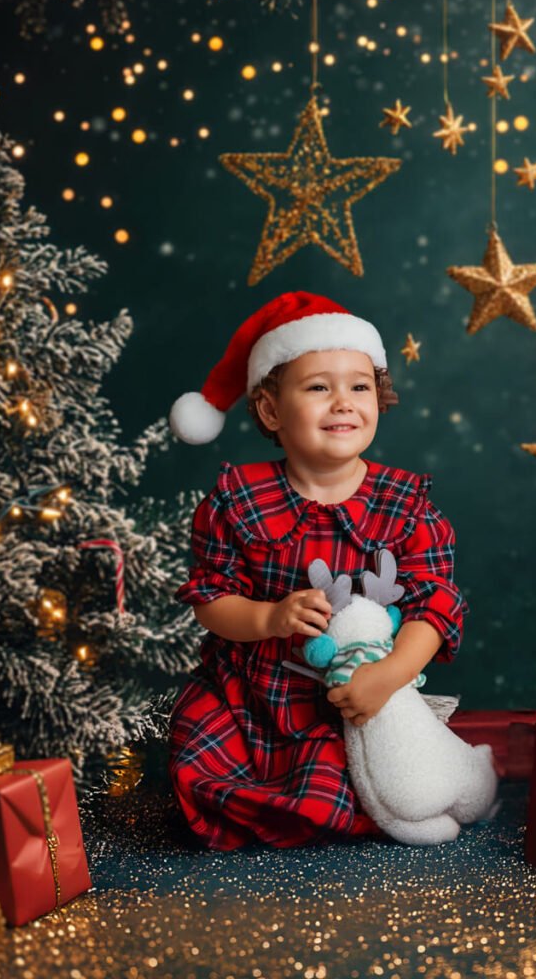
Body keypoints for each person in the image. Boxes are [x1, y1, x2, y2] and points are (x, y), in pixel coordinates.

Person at [167, 291, 468, 850]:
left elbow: (436, 604)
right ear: (270, 410)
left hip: (353, 695)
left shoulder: (405, 503)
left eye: (359, 387)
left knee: (342, 786)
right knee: (195, 752)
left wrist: (391, 674)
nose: (343, 403)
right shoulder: (237, 499)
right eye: (318, 388)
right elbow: (211, 599)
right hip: (251, 694)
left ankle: (359, 802)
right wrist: (268, 618)